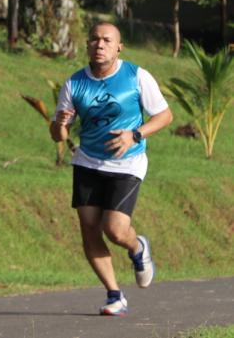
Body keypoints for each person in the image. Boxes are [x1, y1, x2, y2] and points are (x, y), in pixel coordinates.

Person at [49, 22, 173, 316]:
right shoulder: (75, 83)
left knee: (115, 230)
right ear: (87, 45)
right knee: (89, 229)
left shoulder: (136, 76)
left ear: (119, 47)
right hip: (88, 162)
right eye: (94, 39)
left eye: (107, 40)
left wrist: (135, 135)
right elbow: (58, 135)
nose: (100, 45)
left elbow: (165, 116)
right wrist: (60, 124)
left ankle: (137, 248)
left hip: (127, 163)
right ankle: (114, 294)